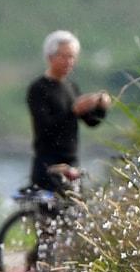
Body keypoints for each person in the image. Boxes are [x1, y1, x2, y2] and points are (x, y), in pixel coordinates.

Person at [28, 30, 111, 190]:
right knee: (50, 213)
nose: (69, 62)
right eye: (64, 56)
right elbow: (45, 127)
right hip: (48, 163)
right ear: (50, 57)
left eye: (72, 57)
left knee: (75, 210)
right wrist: (72, 111)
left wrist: (100, 107)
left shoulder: (71, 87)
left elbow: (91, 121)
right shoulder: (39, 88)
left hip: (71, 162)